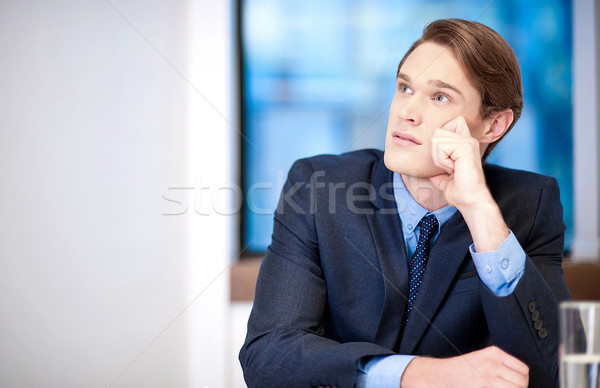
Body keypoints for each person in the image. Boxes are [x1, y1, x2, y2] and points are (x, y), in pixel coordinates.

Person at [239, 18, 570, 388]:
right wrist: (418, 373)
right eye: (405, 88)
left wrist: (480, 211)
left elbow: (550, 373)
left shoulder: (531, 203)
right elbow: (267, 356)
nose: (405, 112)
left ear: (493, 125)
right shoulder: (318, 187)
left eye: (440, 96)